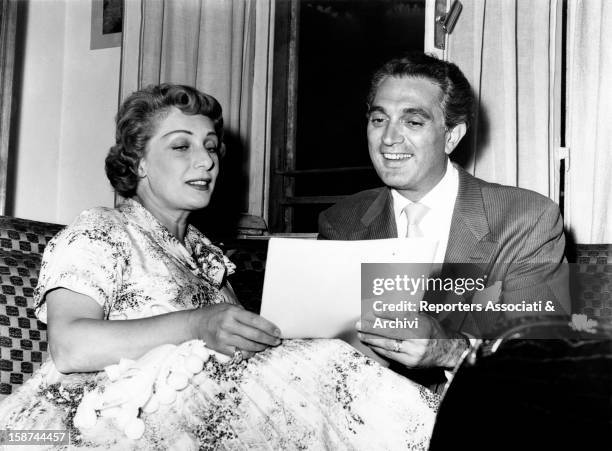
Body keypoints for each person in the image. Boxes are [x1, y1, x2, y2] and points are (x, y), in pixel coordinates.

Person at [0, 84, 438, 449]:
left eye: (210, 147)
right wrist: (197, 324)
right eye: (181, 147)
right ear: (139, 163)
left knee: (342, 356)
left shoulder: (205, 254)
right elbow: (70, 346)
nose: (206, 160)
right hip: (109, 419)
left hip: (205, 412)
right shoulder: (101, 229)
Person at [319, 52, 570, 383]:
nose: (389, 139)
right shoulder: (341, 222)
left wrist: (452, 351)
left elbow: (541, 361)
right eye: (379, 120)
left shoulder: (526, 219)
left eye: (413, 122)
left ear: (452, 136)